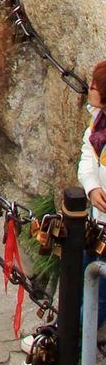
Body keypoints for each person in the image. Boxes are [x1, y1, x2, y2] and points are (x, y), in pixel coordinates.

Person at [78, 62, 106, 340]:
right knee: (80, 274)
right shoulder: (98, 122)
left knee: (99, 294)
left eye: (96, 86)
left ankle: (77, 345)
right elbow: (88, 157)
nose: (90, 89)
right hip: (95, 223)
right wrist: (92, 187)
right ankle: (67, 332)